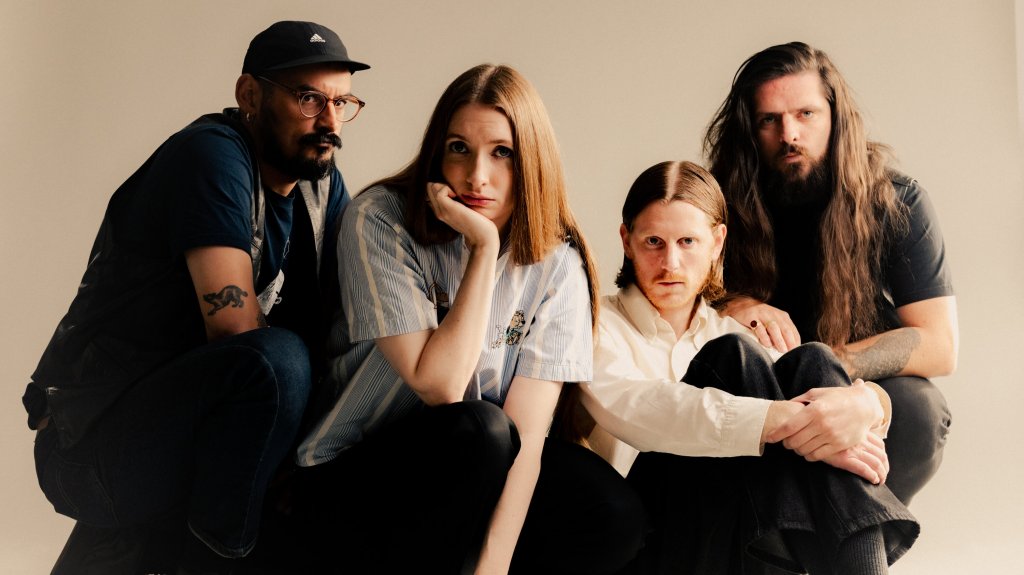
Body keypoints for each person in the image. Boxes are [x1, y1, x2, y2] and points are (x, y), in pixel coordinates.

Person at [23, 20, 368, 574]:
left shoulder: (320, 190)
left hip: (178, 436)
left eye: (342, 102)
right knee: (277, 363)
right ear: (249, 95)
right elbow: (235, 332)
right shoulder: (212, 155)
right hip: (87, 447)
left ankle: (136, 551)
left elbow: (343, 328)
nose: (329, 121)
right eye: (308, 99)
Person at [277, 64, 645, 575]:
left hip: (475, 471)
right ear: (437, 152)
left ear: (531, 159)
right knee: (479, 430)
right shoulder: (380, 219)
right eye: (459, 148)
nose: (477, 176)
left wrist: (493, 565)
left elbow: (526, 437)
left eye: (502, 153)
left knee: (610, 512)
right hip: (346, 478)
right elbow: (441, 385)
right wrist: (483, 248)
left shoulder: (559, 264)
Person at [582, 161, 919, 575]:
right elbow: (639, 409)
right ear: (627, 241)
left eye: (688, 241)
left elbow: (827, 403)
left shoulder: (735, 329)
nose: (670, 262)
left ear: (717, 243)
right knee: (734, 357)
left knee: (812, 359)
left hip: (737, 539)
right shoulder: (596, 324)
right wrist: (782, 418)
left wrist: (868, 405)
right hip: (649, 541)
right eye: (654, 242)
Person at [704, 41, 956, 505]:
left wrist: (833, 373)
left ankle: (853, 536)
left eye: (806, 114)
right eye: (769, 120)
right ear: (749, 130)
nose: (789, 134)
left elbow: (939, 344)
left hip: (855, 380)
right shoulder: (718, 200)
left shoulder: (897, 200)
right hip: (759, 386)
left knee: (920, 411)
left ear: (835, 117)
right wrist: (734, 304)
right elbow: (669, 291)